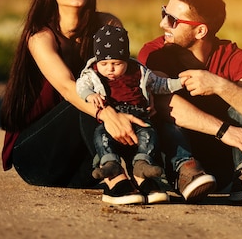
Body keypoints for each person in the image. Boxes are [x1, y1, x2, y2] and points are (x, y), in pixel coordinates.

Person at [0, 0, 148, 205]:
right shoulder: (40, 37)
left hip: (81, 164)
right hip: (36, 156)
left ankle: (150, 173)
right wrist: (106, 114)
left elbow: (125, 78)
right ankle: (114, 182)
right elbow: (69, 88)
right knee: (86, 97)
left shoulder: (107, 26)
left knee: (126, 99)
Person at [137, 0, 242, 208]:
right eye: (164, 13)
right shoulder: (155, 53)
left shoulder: (234, 57)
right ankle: (186, 169)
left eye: (172, 20)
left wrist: (219, 85)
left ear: (200, 30)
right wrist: (224, 130)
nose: (163, 23)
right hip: (171, 161)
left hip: (221, 163)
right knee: (164, 112)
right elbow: (164, 103)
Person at [76, 25, 184, 204]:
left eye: (116, 64)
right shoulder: (93, 73)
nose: (110, 69)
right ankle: (110, 165)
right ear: (97, 60)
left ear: (126, 60)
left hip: (138, 118)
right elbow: (80, 85)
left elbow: (159, 84)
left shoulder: (139, 71)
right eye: (104, 64)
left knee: (149, 134)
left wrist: (180, 82)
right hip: (111, 119)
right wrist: (90, 94)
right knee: (100, 135)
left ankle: (142, 165)